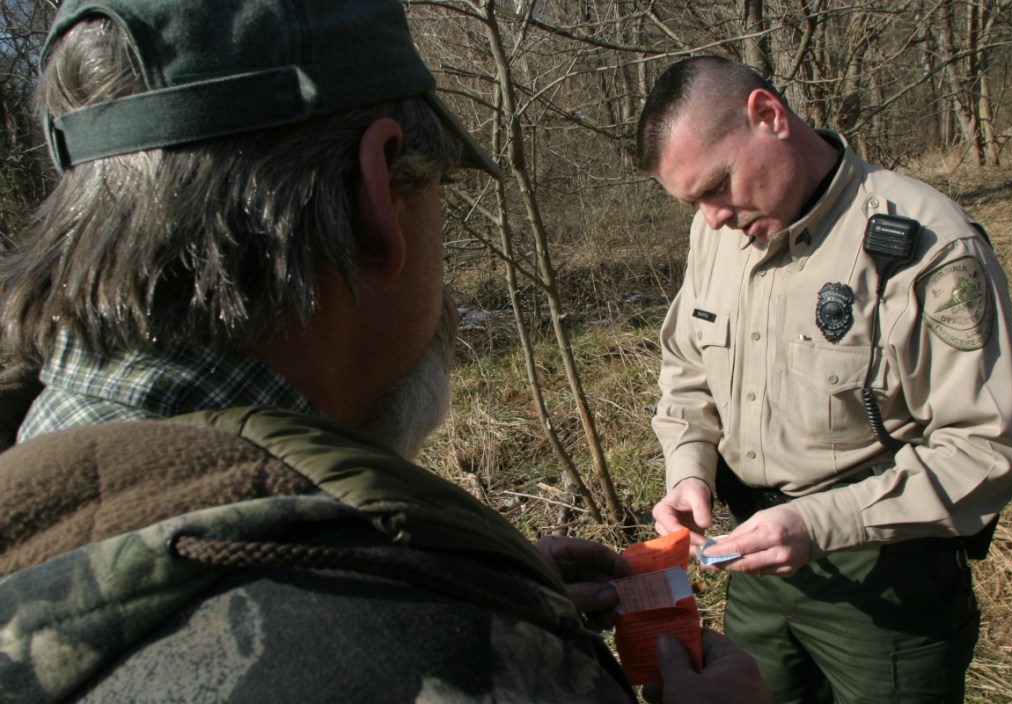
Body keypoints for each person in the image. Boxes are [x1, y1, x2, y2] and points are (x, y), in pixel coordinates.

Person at [0, 2, 769, 702]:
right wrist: (466, 637)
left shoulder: (38, 491)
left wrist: (458, 586)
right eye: (440, 189)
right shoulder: (445, 665)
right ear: (380, 191)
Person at [637, 55, 1012, 704]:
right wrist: (688, 471)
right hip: (753, 563)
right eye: (692, 202)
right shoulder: (717, 232)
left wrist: (820, 524)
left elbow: (988, 448)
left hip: (887, 581)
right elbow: (686, 374)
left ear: (768, 116)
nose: (710, 218)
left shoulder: (927, 243)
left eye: (715, 187)